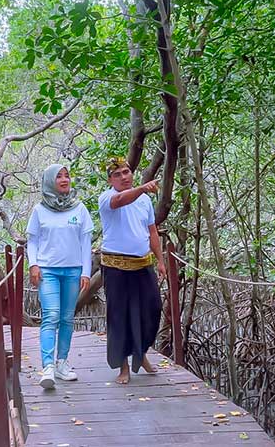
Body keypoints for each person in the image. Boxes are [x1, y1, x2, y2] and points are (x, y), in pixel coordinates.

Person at [98, 156, 166, 384]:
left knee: (152, 309)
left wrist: (161, 260)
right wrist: (143, 188)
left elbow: (152, 232)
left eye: (126, 172)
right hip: (116, 267)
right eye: (117, 175)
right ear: (110, 180)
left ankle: (141, 353)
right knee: (119, 316)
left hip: (142, 264)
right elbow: (120, 201)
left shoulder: (144, 201)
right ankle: (123, 366)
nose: (123, 177)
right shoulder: (107, 198)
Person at [26, 164, 93, 389]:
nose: (64, 180)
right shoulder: (39, 210)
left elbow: (86, 242)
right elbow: (32, 240)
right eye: (59, 177)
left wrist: (86, 272)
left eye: (67, 176)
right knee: (51, 315)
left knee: (66, 317)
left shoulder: (79, 208)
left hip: (73, 270)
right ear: (49, 181)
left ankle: (62, 362)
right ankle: (48, 368)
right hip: (48, 270)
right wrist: (33, 264)